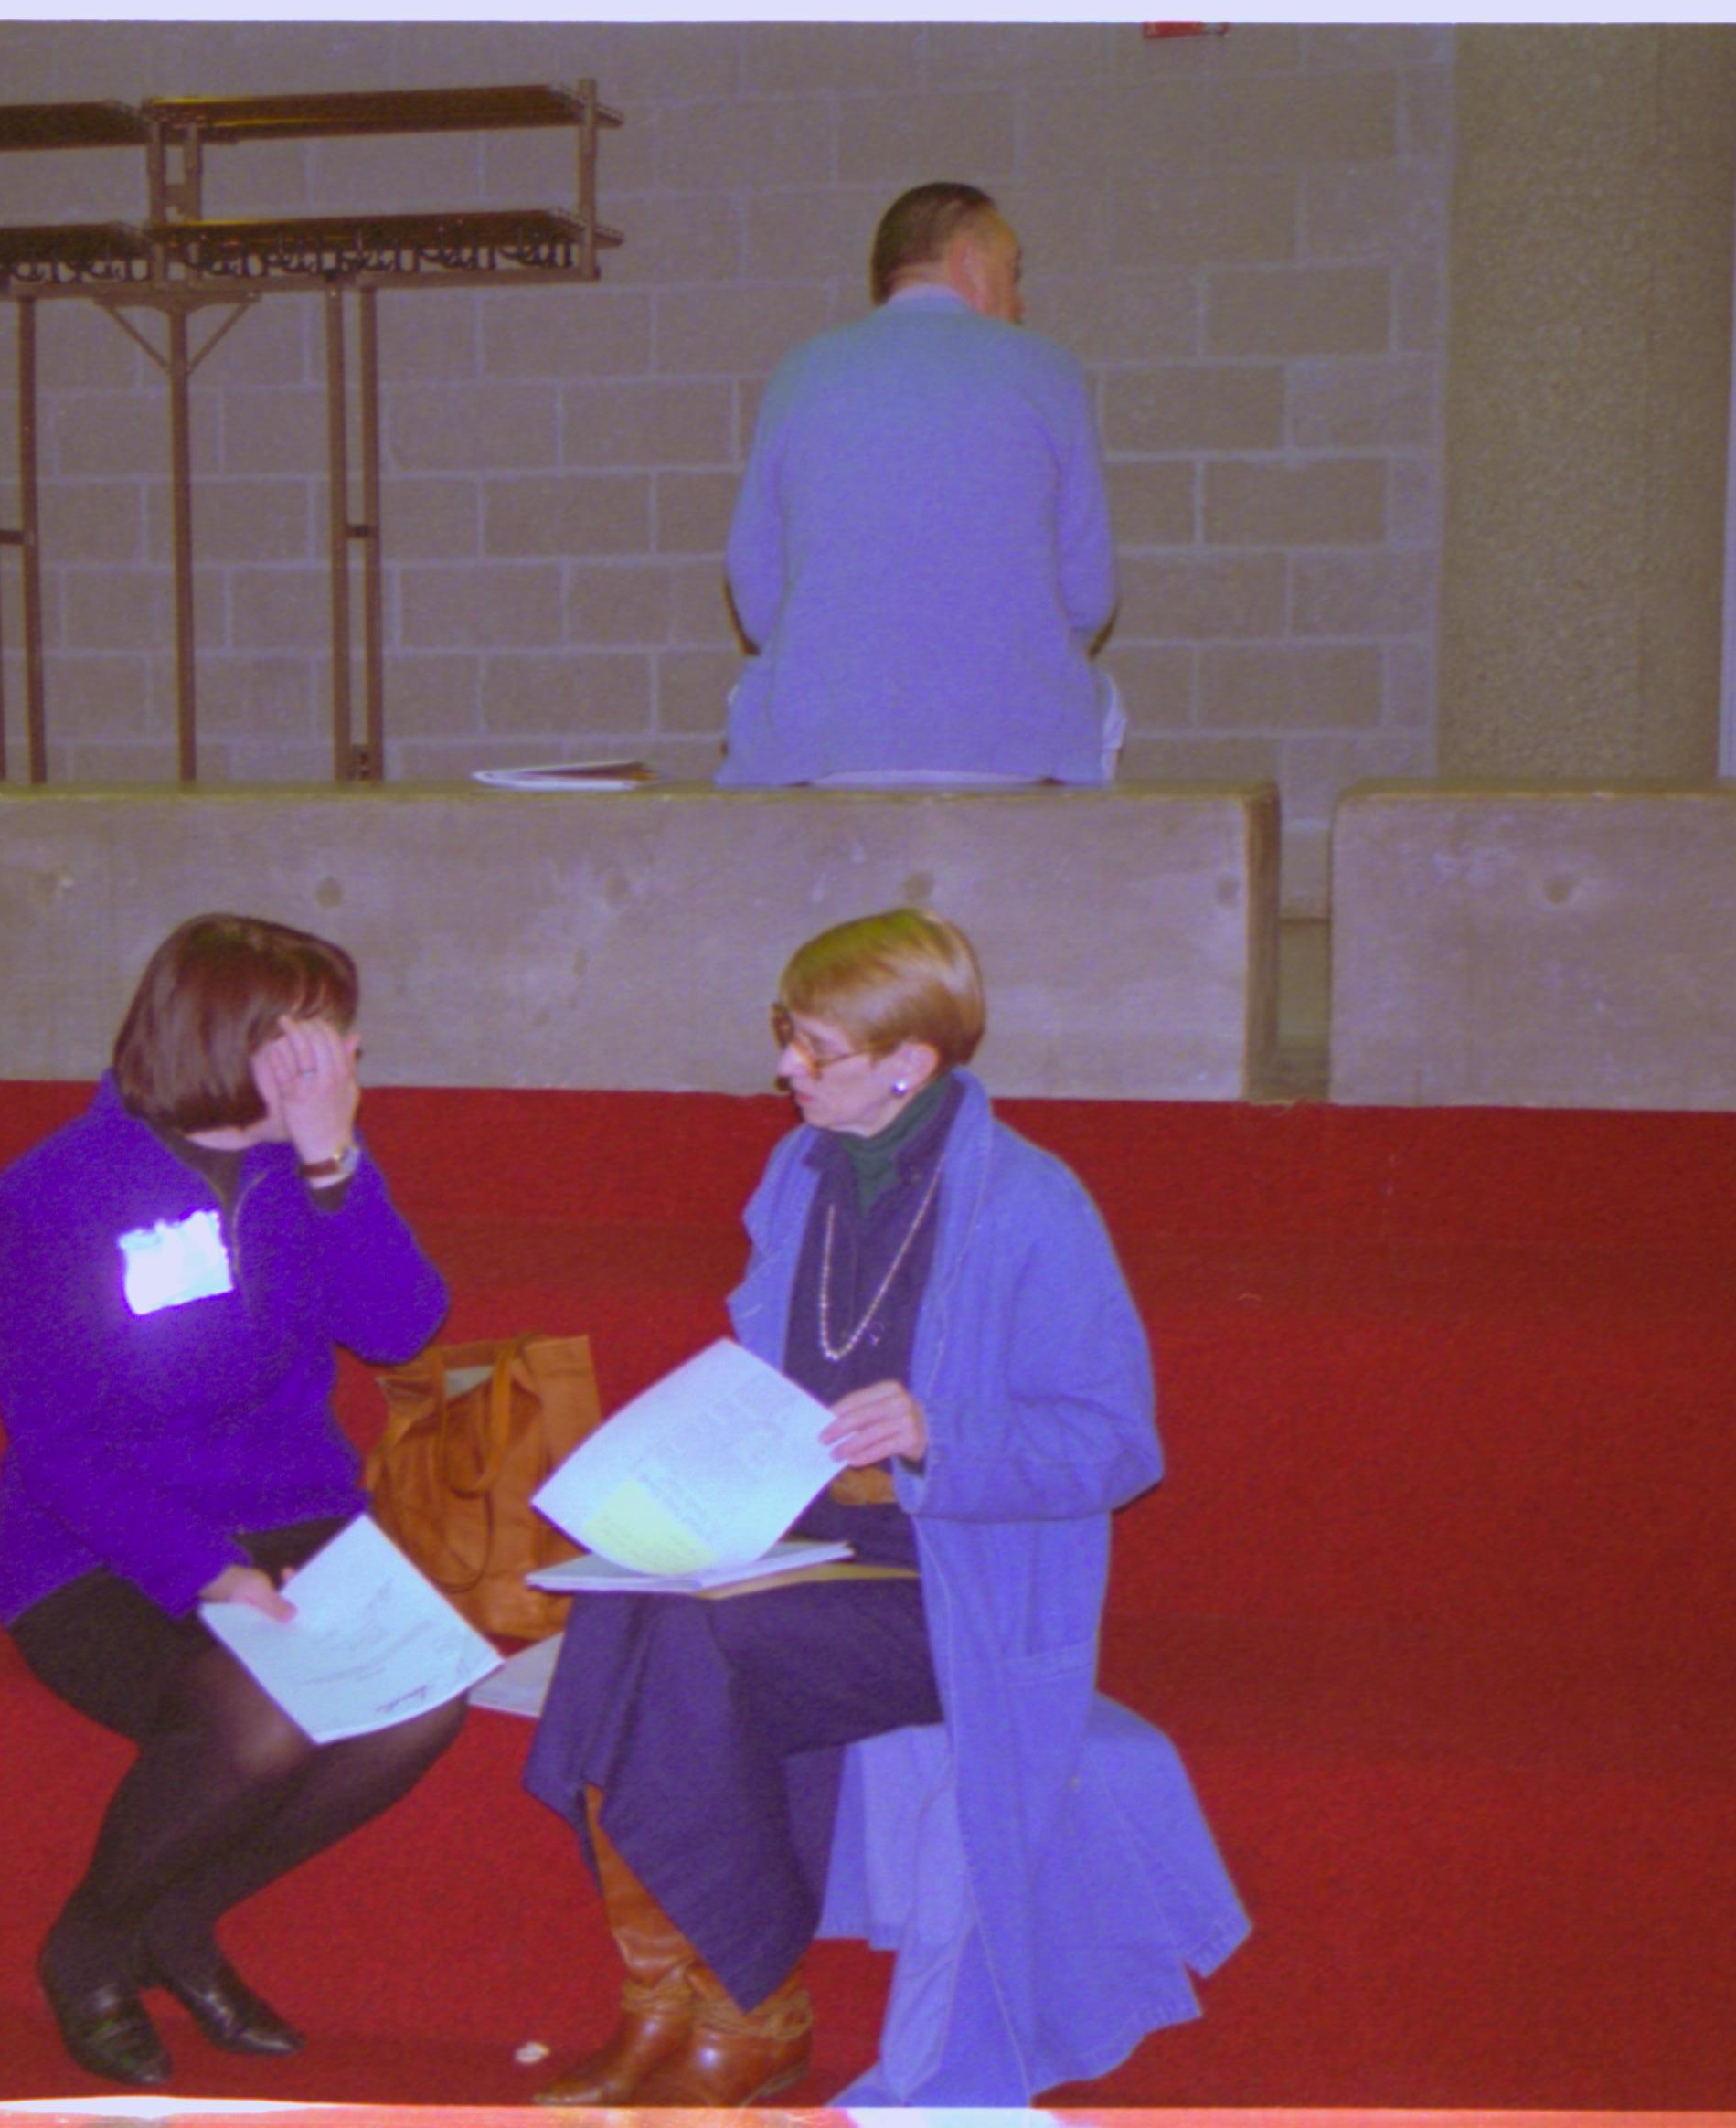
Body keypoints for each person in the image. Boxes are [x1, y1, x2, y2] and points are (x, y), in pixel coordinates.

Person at [522, 908, 1245, 2106]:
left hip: (953, 1577)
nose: (785, 1069)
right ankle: (670, 2003)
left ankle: (756, 2012)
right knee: (617, 1616)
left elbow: (1116, 1446)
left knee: (699, 1646)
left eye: (815, 1048)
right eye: (785, 1035)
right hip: (798, 1531)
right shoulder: (798, 1168)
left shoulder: (1029, 1205)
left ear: (910, 1064)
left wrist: (939, 1433)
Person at [0, 913, 461, 2088]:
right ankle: (89, 1943)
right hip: (102, 1545)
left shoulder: (311, 1164)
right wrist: (203, 1569)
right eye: (318, 1037)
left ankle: (180, 1914)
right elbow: (56, 1441)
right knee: (265, 1721)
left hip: (300, 1516)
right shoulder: (59, 1190)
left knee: (417, 1706)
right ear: (231, 1041)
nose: (344, 1060)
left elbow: (403, 1326)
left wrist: (334, 1167)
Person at [716, 183, 1122, 790]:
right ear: (968, 261)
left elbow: (756, 592)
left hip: (825, 751)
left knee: (761, 699)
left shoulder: (800, 372)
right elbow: (1089, 593)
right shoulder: (1049, 369)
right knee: (1101, 709)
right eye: (1011, 273)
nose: (1019, 300)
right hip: (1013, 755)